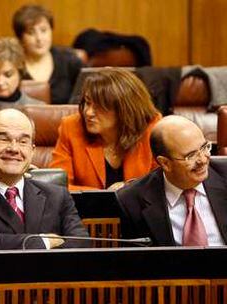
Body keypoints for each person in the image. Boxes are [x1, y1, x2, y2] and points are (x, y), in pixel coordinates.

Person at [0, 109, 88, 250]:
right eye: (4, 139)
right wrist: (46, 242)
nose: (14, 148)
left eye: (23, 141)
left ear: (32, 151)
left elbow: (81, 244)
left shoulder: (58, 196)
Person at [117, 115, 227, 246]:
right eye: (191, 156)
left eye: (204, 148)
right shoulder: (131, 201)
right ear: (165, 163)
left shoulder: (224, 176)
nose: (203, 160)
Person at [49, 68, 161, 191]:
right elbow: (57, 187)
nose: (88, 112)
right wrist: (105, 196)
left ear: (124, 109)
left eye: (99, 106)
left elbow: (160, 186)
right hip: (85, 209)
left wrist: (127, 189)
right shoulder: (71, 127)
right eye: (87, 102)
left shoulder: (152, 128)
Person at [12, 4, 82, 104]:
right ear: (21, 38)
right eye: (31, 33)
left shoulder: (69, 60)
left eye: (43, 30)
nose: (39, 38)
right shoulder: (13, 66)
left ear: (51, 31)